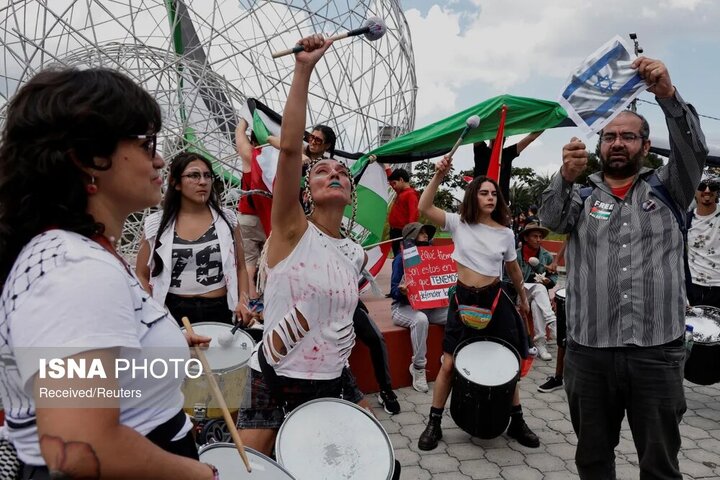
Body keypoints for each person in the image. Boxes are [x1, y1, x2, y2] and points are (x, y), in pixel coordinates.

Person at [0, 67, 220, 479]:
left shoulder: (73, 256)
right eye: (145, 143)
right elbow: (77, 446)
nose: (158, 159)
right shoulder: (73, 268)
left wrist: (157, 345)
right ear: (87, 159)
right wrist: (197, 475)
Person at [235, 38, 401, 478]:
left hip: (331, 377)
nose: (336, 173)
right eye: (324, 170)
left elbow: (345, 318)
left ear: (350, 196)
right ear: (306, 191)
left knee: (372, 462)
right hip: (272, 375)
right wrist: (303, 71)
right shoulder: (291, 230)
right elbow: (291, 150)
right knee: (250, 469)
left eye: (343, 172)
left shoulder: (352, 252)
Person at [539, 56, 707, 479]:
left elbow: (695, 149)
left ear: (646, 147)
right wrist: (563, 176)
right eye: (610, 136)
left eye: (628, 137)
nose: (617, 143)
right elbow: (552, 219)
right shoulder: (583, 195)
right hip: (589, 354)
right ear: (599, 146)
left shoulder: (672, 187)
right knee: (593, 460)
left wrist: (668, 96)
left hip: (657, 353)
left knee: (660, 462)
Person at [416, 156, 538, 451]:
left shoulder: (506, 233)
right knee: (449, 364)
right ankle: (434, 422)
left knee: (507, 362)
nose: (490, 197)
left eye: (494, 193)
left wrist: (523, 300)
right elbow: (424, 208)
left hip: (496, 301)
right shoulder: (459, 224)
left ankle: (517, 421)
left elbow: (513, 270)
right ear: (473, 196)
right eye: (484, 192)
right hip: (463, 300)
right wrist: (437, 176)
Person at [136, 151, 253, 329]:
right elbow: (141, 274)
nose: (203, 182)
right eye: (194, 175)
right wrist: (153, 311)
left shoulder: (228, 219)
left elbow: (241, 267)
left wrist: (243, 303)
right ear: (175, 183)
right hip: (173, 314)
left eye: (207, 176)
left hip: (221, 310)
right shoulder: (156, 225)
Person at [390, 222, 448, 392]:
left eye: (426, 233)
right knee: (420, 319)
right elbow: (393, 291)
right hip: (403, 307)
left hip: (430, 306)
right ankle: (418, 367)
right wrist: (402, 291)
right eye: (420, 233)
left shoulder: (434, 256)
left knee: (456, 313)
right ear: (411, 237)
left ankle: (449, 356)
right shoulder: (401, 259)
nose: (425, 236)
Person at [234, 118, 268, 310]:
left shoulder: (251, 156)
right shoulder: (278, 161)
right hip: (269, 219)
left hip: (247, 216)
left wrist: (244, 120)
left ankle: (251, 300)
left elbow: (239, 137)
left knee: (249, 261)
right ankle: (268, 297)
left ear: (253, 141)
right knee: (269, 261)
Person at [512, 222, 558, 361]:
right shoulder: (515, 255)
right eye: (535, 236)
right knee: (539, 288)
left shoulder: (546, 256)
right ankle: (553, 322)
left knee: (537, 303)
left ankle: (540, 344)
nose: (538, 239)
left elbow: (553, 278)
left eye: (540, 236)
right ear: (526, 238)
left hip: (537, 296)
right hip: (519, 294)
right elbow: (508, 279)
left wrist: (548, 281)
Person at [473, 131, 543, 201]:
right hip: (479, 202)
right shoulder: (481, 150)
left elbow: (531, 137)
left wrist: (549, 122)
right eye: (498, 135)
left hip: (501, 203)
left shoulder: (507, 154)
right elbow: (476, 133)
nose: (501, 138)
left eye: (504, 136)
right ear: (491, 137)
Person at [538, 240, 567, 393]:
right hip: (579, 282)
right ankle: (558, 377)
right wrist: (556, 261)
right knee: (564, 336)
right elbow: (569, 235)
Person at [686, 176, 720, 308]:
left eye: (712, 186)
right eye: (701, 186)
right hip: (692, 288)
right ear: (694, 191)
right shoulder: (685, 220)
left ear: (717, 191)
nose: (707, 190)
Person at [387, 168, 419, 256]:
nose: (392, 186)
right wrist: (387, 168)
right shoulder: (400, 192)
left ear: (401, 180)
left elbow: (413, 214)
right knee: (397, 255)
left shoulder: (411, 194)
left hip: (403, 233)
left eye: (394, 183)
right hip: (394, 232)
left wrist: (409, 234)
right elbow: (391, 180)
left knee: (402, 257)